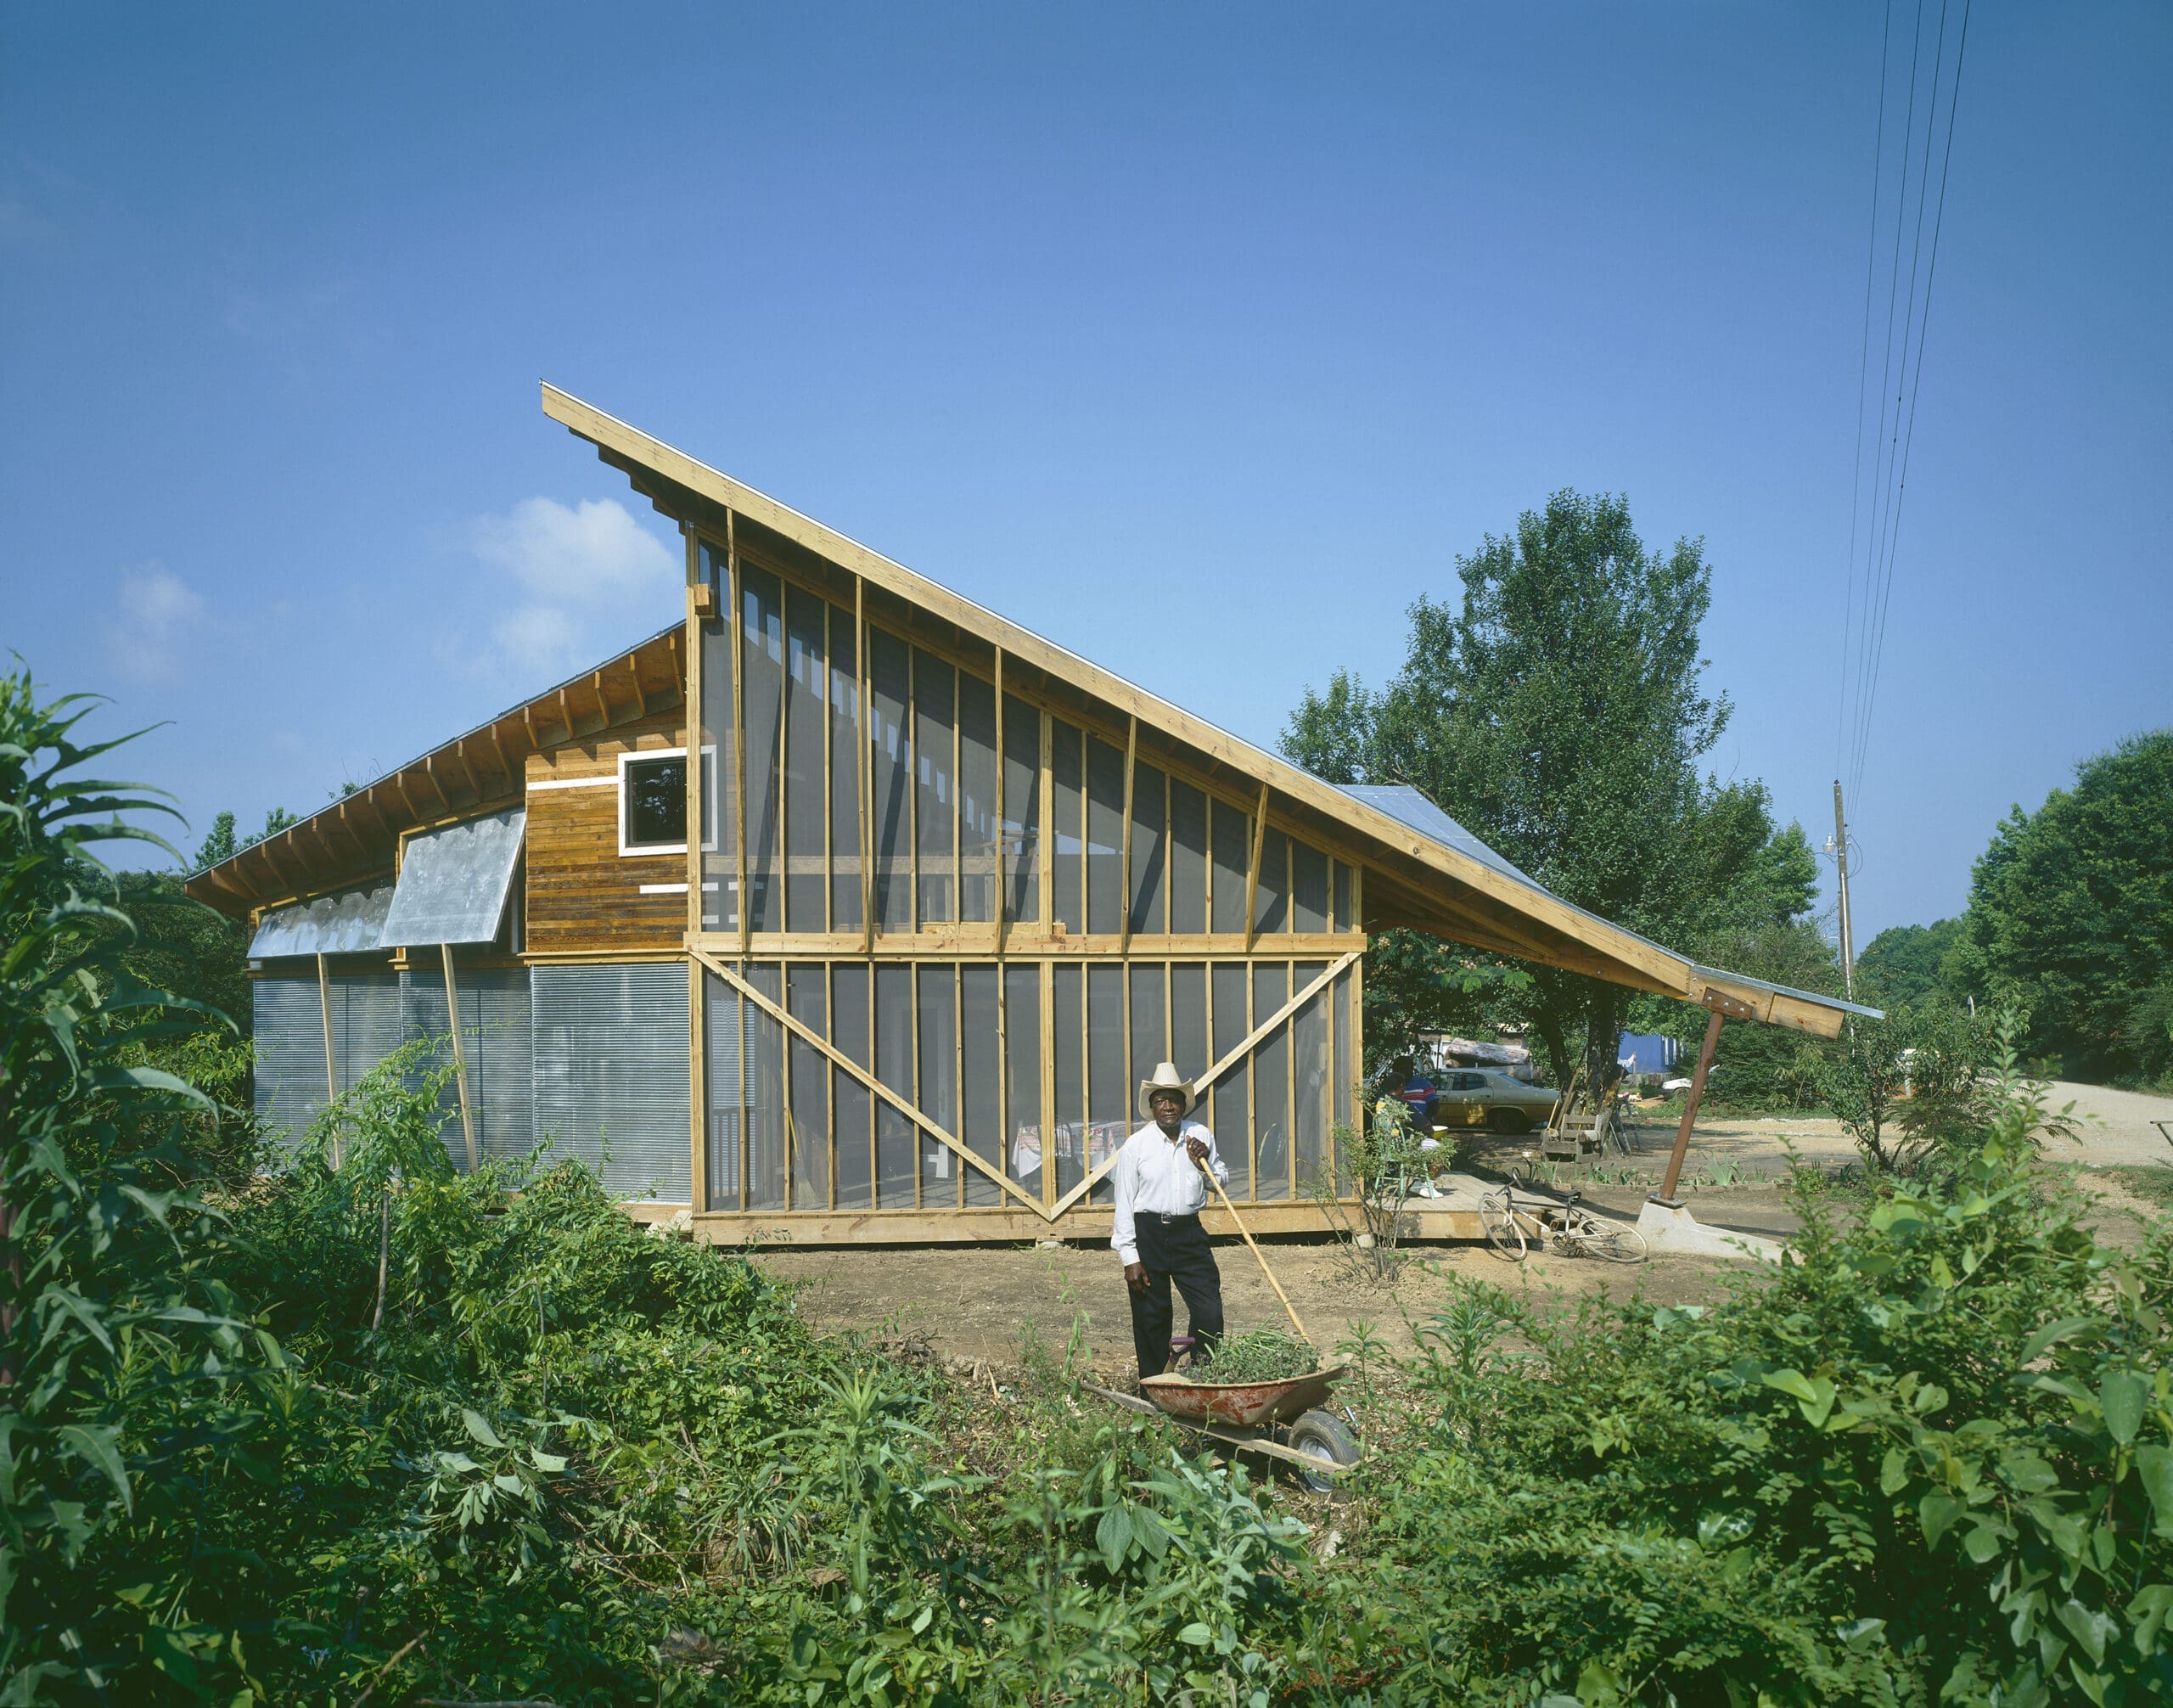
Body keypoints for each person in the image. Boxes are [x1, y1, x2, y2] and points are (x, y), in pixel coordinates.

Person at [1110, 1060, 1230, 1379]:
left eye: (1174, 1099)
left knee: (1210, 1311)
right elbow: (1123, 1202)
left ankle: (1204, 1381)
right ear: (1151, 1107)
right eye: (1161, 1100)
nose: (1168, 1106)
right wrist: (1129, 1257)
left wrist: (1203, 1163)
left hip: (1189, 1233)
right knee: (1153, 1316)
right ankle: (1154, 1388)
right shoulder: (1136, 1146)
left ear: (1183, 1104)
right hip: (1148, 1233)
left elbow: (1220, 1179)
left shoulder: (1199, 1136)